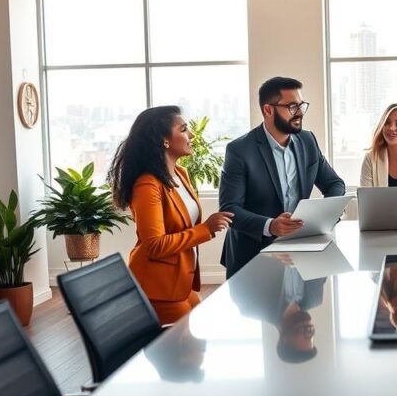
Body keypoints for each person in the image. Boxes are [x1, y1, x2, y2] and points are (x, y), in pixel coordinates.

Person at [108, 105, 234, 325]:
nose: (191, 135)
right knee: (186, 354)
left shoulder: (181, 174)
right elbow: (155, 245)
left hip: (182, 284)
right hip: (159, 287)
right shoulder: (147, 184)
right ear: (163, 140)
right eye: (184, 129)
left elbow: (181, 226)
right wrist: (206, 229)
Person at [219, 77, 346, 277]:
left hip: (301, 250)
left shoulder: (308, 140)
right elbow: (229, 210)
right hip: (254, 256)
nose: (300, 113)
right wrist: (271, 225)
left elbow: (334, 183)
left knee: (305, 307)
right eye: (292, 106)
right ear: (268, 110)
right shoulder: (240, 150)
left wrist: (325, 213)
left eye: (301, 105)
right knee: (262, 309)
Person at [229, 253, 326, 364]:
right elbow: (321, 258)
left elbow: (238, 253)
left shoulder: (249, 305)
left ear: (284, 339)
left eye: (301, 332)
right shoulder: (315, 298)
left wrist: (273, 253)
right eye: (310, 333)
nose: (308, 329)